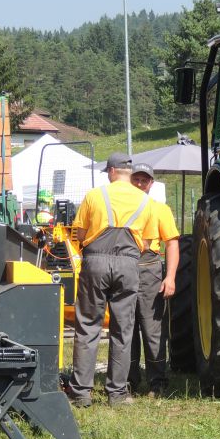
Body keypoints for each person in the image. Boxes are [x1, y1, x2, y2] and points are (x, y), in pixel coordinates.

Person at [65, 153, 156, 407]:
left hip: (95, 262)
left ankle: (81, 393)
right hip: (128, 264)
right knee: (123, 330)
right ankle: (117, 393)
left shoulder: (94, 195)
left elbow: (80, 234)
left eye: (108, 172)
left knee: (88, 326)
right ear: (129, 173)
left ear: (113, 171)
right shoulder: (144, 200)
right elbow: (147, 242)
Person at [127, 163, 180, 394]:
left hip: (150, 269)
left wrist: (170, 277)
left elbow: (172, 243)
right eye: (135, 179)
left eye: (144, 180)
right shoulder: (121, 208)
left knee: (152, 328)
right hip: (124, 268)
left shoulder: (160, 209)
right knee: (125, 328)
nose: (139, 184)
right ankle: (128, 380)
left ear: (151, 183)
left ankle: (157, 382)